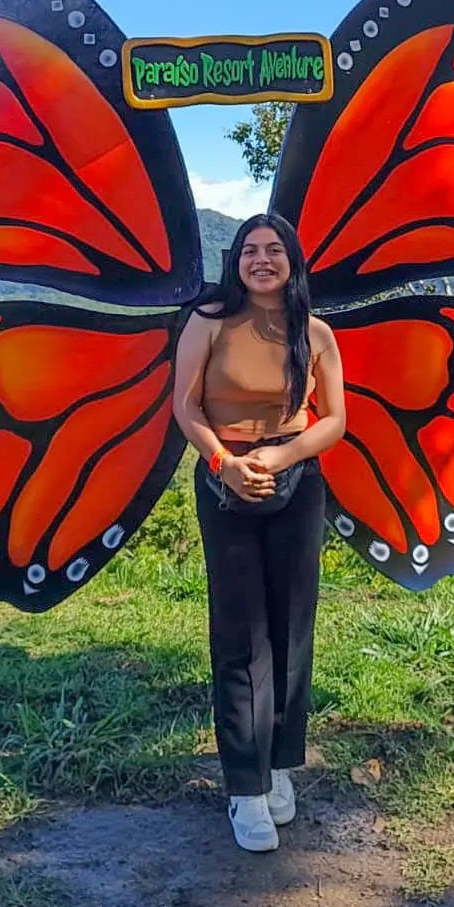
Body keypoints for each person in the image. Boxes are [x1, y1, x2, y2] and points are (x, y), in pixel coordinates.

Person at [172, 212, 346, 852]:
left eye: (275, 249)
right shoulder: (209, 320)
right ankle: (245, 789)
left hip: (295, 481)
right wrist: (227, 465)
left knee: (292, 626)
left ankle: (279, 768)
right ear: (236, 261)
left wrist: (281, 458)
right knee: (241, 634)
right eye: (251, 250)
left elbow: (334, 420)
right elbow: (185, 407)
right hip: (226, 481)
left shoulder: (316, 332)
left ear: (293, 260)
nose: (262, 259)